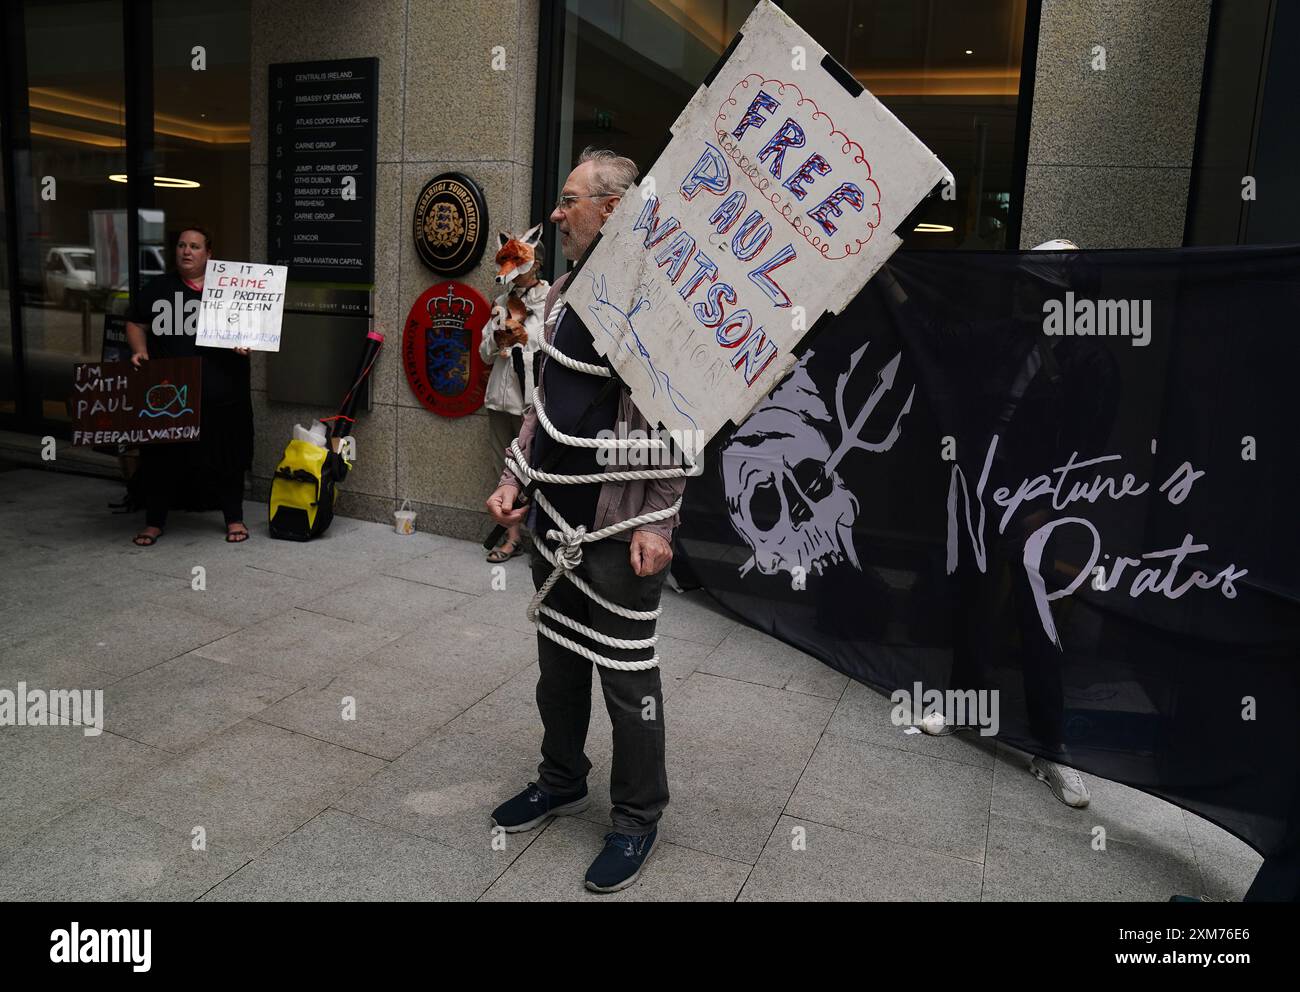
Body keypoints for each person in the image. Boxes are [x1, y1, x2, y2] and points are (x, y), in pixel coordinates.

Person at [484, 147, 686, 893]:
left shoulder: (649, 305)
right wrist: (514, 479)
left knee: (629, 682)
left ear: (613, 208)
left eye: (571, 200)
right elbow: (544, 407)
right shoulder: (567, 293)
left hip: (615, 526)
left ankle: (637, 818)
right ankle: (562, 777)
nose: (557, 213)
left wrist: (659, 524)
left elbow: (672, 424)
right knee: (559, 669)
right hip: (555, 520)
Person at [125, 227, 253, 545]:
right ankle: (154, 522)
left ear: (209, 254)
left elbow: (254, 327)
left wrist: (244, 343)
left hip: (221, 393)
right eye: (182, 245)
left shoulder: (229, 289)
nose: (186, 251)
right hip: (170, 396)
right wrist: (138, 349)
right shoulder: (158, 288)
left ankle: (234, 520)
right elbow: (135, 322)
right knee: (161, 459)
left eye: (194, 246)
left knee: (226, 457)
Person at [480, 225, 548, 563]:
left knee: (534, 469)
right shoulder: (500, 302)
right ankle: (511, 538)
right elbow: (482, 352)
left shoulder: (552, 301)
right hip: (499, 399)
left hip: (531, 403)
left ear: (535, 263)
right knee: (503, 468)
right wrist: (497, 338)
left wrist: (524, 338)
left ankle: (544, 539)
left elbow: (552, 349)